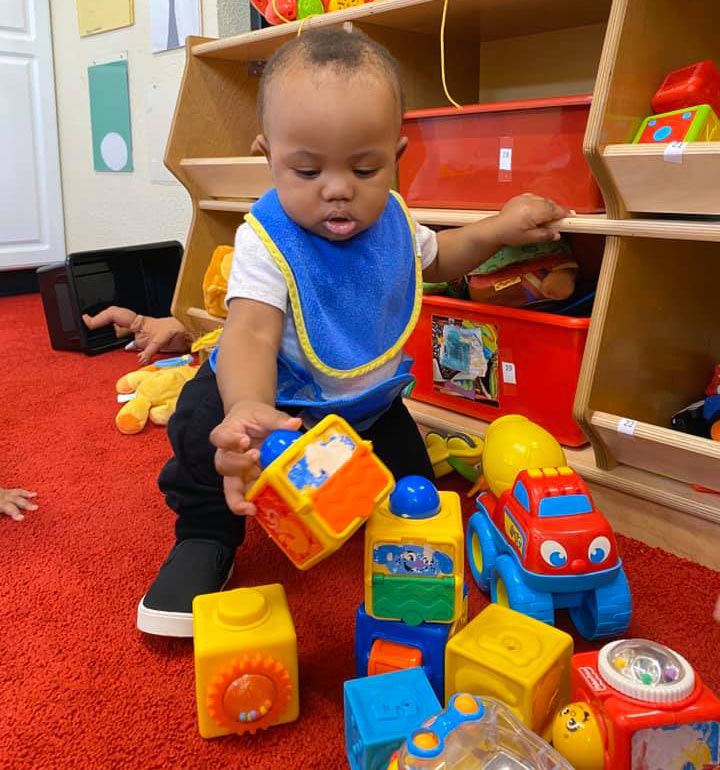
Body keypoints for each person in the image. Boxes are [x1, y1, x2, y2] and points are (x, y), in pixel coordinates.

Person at [137, 27, 571, 637]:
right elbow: (252, 335)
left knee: (416, 495)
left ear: (396, 156)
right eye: (307, 169)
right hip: (278, 409)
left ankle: (396, 518)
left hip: (363, 409)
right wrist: (248, 407)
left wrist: (498, 227)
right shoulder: (266, 240)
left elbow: (439, 258)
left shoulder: (392, 221)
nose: (338, 189)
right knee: (200, 423)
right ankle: (206, 536)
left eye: (364, 168)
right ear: (268, 156)